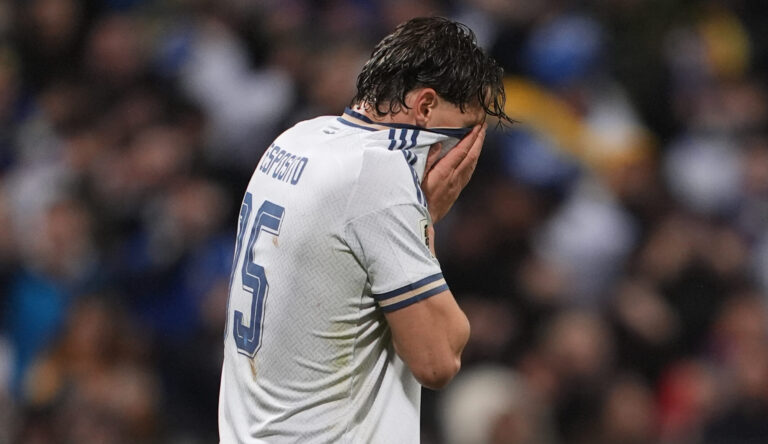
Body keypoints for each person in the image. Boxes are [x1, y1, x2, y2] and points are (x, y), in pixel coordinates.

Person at [218, 16, 511, 443]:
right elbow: (439, 359)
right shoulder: (378, 175)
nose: (466, 153)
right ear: (425, 107)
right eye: (467, 132)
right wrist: (424, 219)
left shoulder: (295, 139)